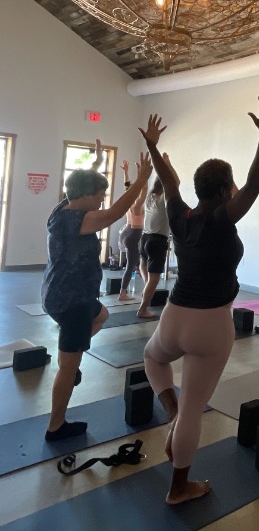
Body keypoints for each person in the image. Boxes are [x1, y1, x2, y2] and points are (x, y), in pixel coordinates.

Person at [140, 95, 259, 505]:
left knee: (154, 359)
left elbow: (169, 182)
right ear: (224, 191)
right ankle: (178, 486)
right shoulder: (221, 219)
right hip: (210, 324)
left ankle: (171, 411)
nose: (237, 190)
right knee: (192, 411)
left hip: (174, 316)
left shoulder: (180, 217)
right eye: (232, 185)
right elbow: (255, 184)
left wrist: (152, 145)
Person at [41, 141, 152, 441]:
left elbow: (81, 185)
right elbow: (117, 211)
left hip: (61, 294)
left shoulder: (62, 207)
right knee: (68, 365)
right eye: (100, 193)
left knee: (102, 315)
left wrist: (97, 163)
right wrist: (141, 180)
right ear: (86, 195)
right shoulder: (79, 219)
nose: (103, 198)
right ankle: (56, 426)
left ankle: (71, 361)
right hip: (72, 300)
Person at [137, 154, 179, 318]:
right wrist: (168, 164)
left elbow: (161, 179)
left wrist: (161, 166)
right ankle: (142, 309)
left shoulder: (150, 197)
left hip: (144, 237)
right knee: (154, 278)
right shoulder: (163, 199)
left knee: (143, 267)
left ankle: (146, 291)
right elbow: (175, 182)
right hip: (157, 240)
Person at [117, 159, 147, 301]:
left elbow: (126, 186)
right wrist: (143, 177)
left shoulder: (128, 200)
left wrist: (126, 172)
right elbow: (144, 191)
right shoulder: (137, 205)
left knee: (134, 263)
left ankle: (128, 291)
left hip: (126, 232)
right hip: (133, 235)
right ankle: (122, 294)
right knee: (131, 265)